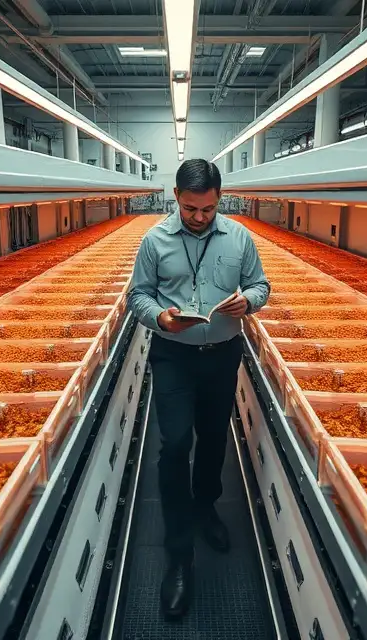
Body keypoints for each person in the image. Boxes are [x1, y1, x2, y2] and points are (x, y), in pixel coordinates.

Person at [127, 158, 271, 620]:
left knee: (213, 436)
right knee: (173, 445)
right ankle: (178, 554)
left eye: (208, 209)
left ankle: (206, 506)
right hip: (173, 355)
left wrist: (249, 300)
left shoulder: (239, 237)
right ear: (176, 197)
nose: (199, 218)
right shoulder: (154, 241)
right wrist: (159, 317)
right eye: (191, 209)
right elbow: (137, 295)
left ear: (219, 199)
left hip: (223, 354)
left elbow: (262, 285)